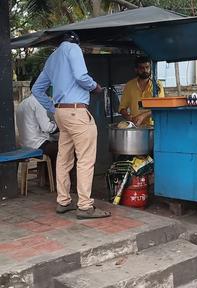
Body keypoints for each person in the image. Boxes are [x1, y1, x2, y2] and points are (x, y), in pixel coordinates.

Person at [32, 31, 111, 219]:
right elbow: (81, 76)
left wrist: (53, 108)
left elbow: (37, 89)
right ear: (76, 42)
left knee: (63, 159)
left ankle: (63, 201)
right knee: (85, 159)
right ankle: (84, 206)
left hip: (61, 114)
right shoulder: (73, 48)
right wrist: (95, 87)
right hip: (77, 112)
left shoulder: (52, 57)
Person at [16, 77, 59, 172]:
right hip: (37, 145)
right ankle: (57, 183)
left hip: (25, 145)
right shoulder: (39, 102)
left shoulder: (23, 103)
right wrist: (59, 126)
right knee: (64, 148)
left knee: (54, 145)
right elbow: (47, 127)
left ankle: (46, 180)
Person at [119, 56, 165, 126]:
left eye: (147, 67)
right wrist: (127, 116)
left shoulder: (157, 85)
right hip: (136, 127)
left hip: (154, 126)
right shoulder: (129, 85)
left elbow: (161, 106)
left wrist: (143, 116)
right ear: (136, 69)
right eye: (141, 68)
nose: (145, 70)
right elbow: (122, 108)